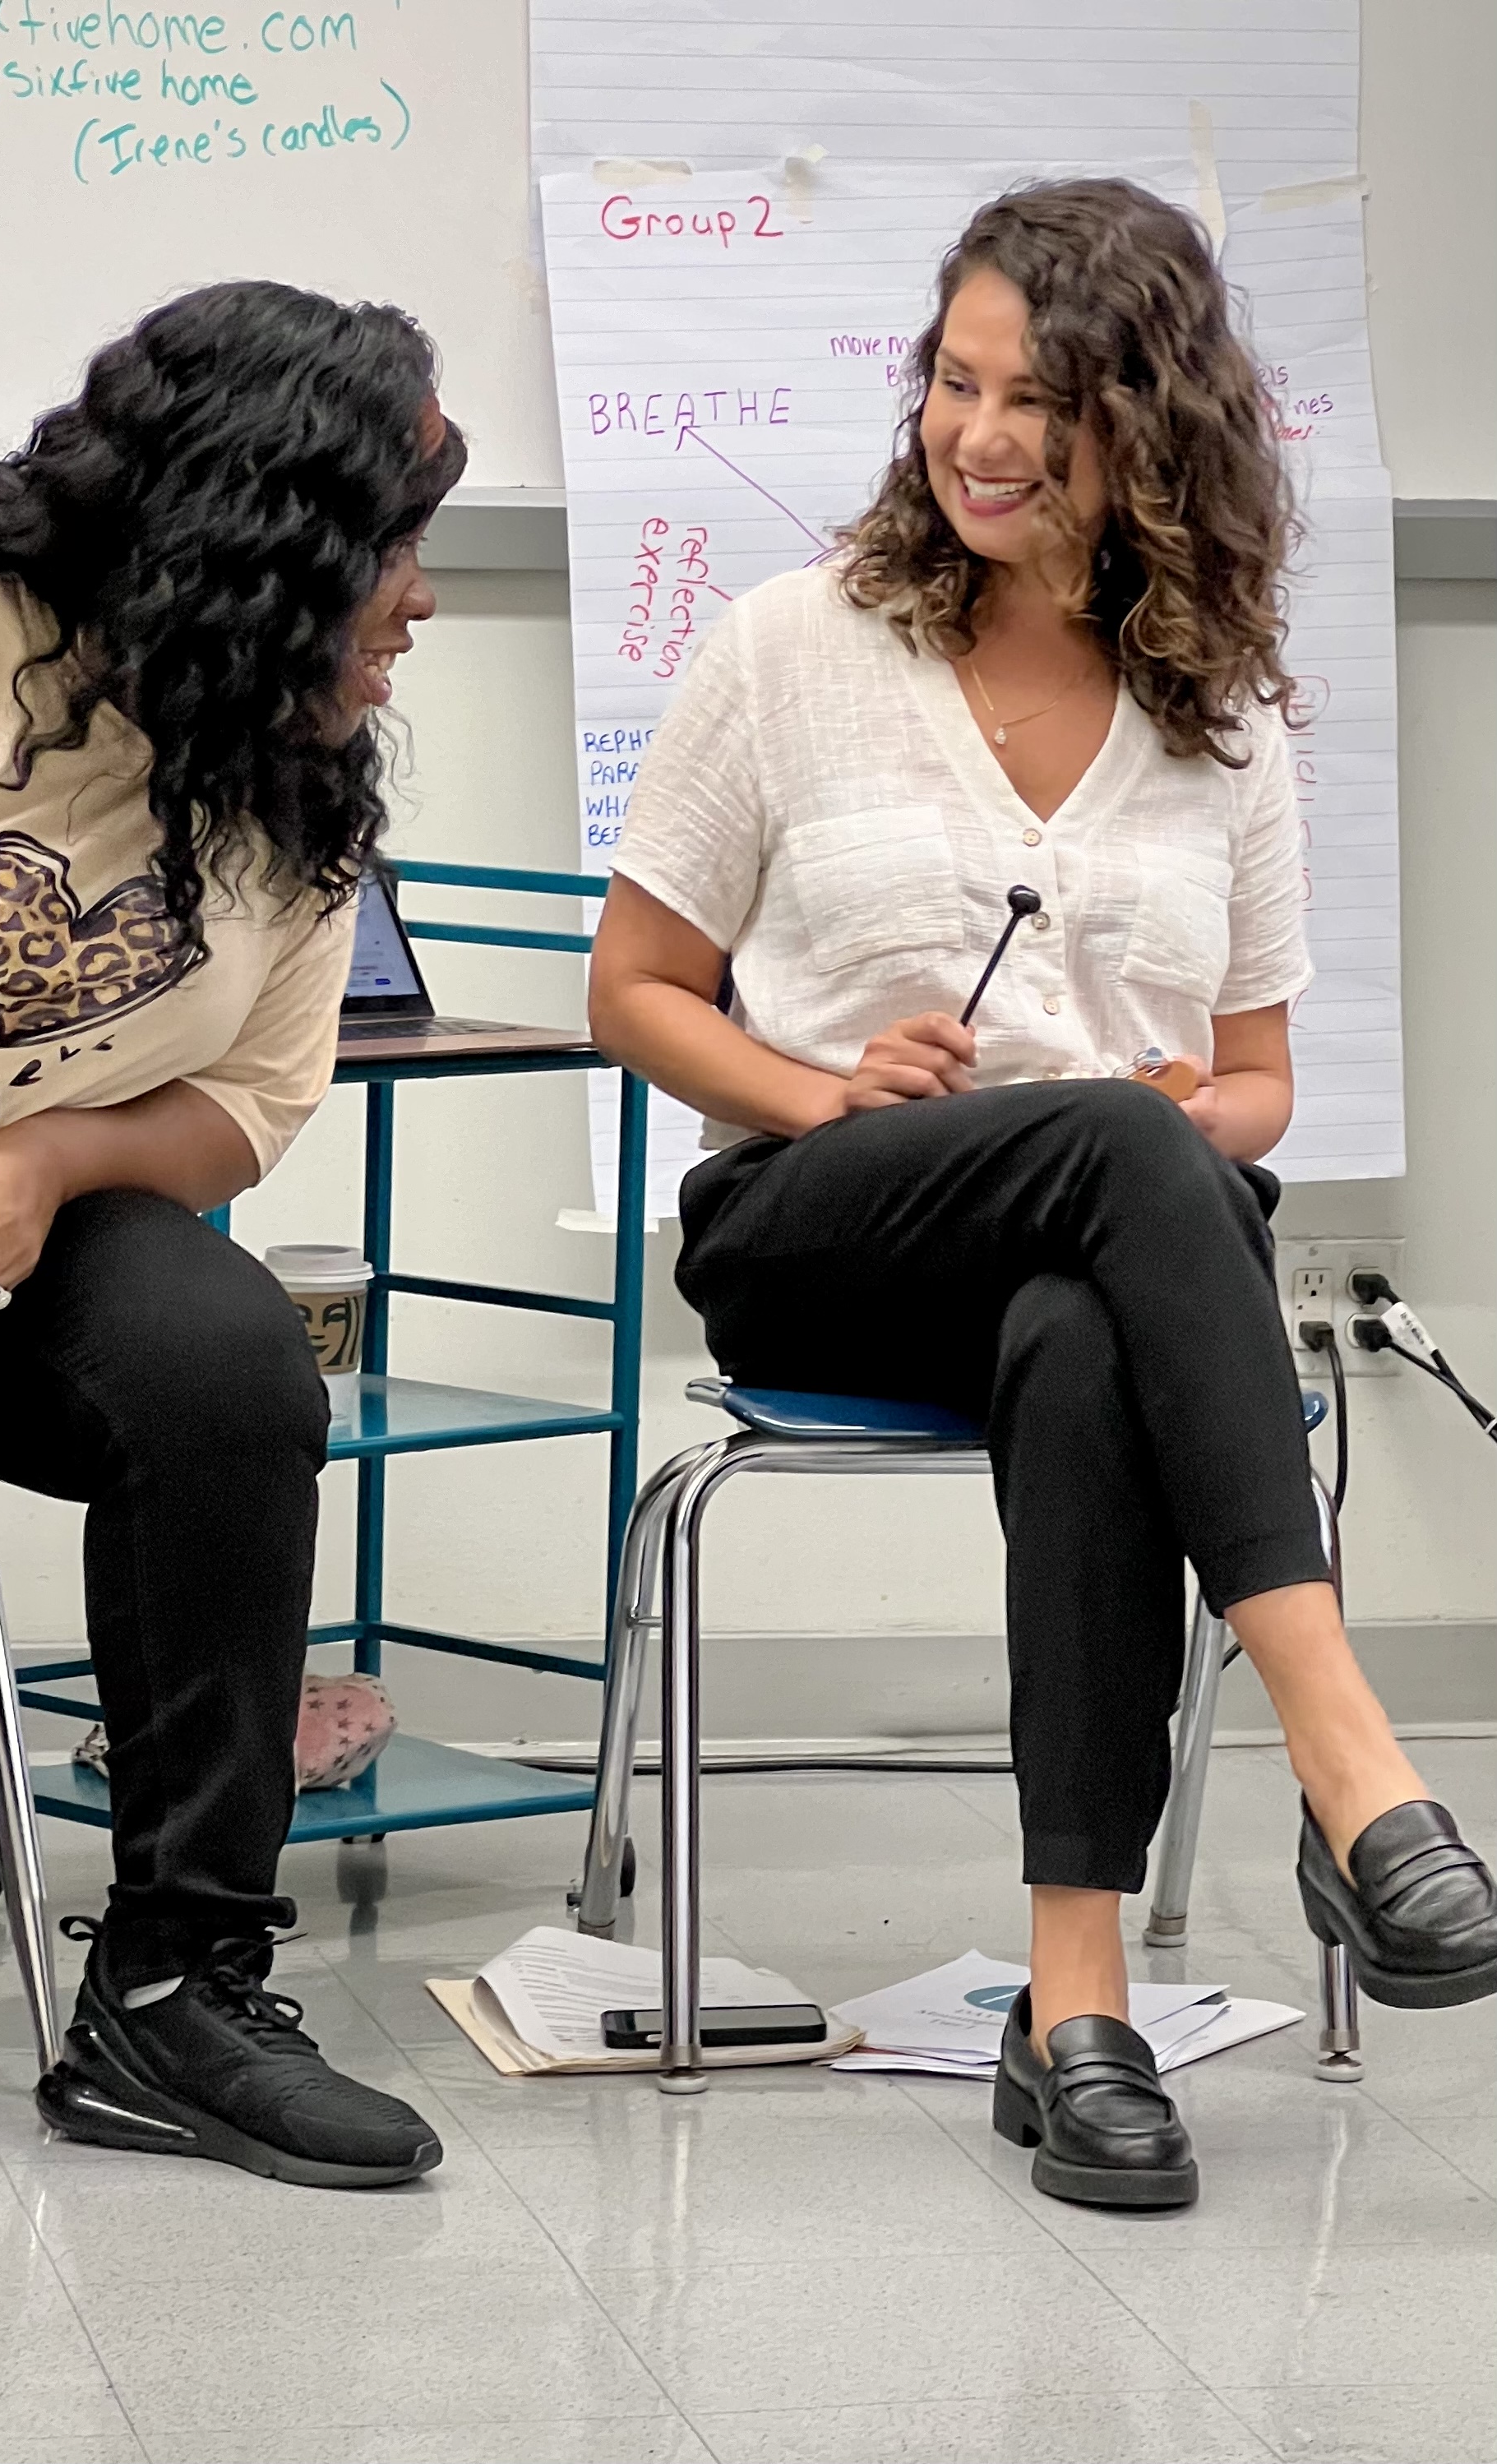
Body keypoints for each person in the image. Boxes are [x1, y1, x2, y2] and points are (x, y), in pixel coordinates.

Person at [590, 179, 1497, 2211]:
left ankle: (1070, 2006)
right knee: (1118, 1143)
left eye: (1036, 404)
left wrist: (1190, 1111)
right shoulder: (791, 644)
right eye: (953, 381)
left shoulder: (1225, 710)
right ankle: (1345, 1753)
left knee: (1092, 1314)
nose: (975, 435)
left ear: (1144, 436)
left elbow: (1253, 1082)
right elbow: (632, 993)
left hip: (1089, 1261)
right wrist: (822, 1082)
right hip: (821, 1225)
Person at [0, 280, 465, 2189]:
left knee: (222, 1360)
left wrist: (54, 1158)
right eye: (393, 550)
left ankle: (173, 1992)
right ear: (264, 545)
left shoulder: (287, 766)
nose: (421, 601)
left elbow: (253, 1100)